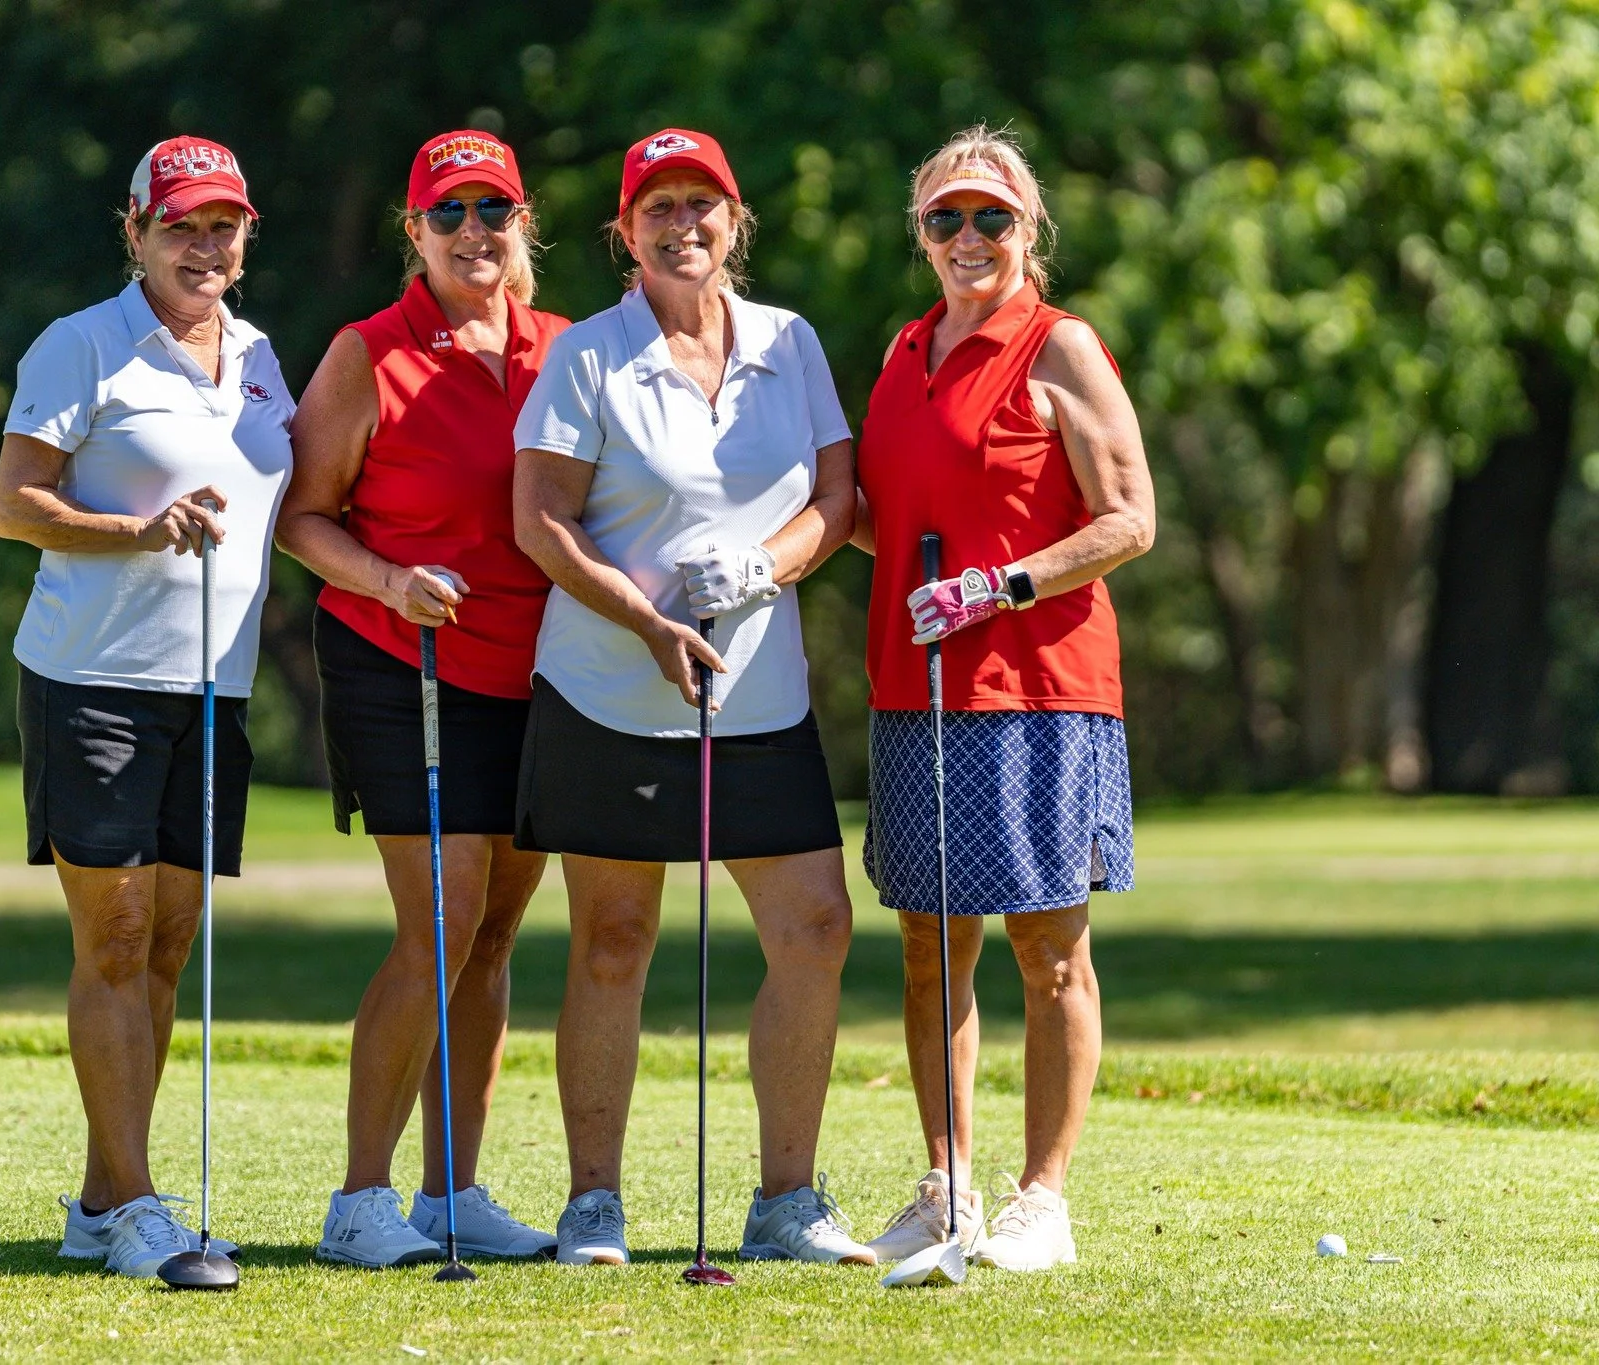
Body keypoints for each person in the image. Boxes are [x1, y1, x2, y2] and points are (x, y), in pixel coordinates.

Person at [512, 128, 869, 1268]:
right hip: (610, 689)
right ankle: (593, 1205)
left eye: (702, 204)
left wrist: (766, 564)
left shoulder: (789, 342)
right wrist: (643, 618)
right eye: (657, 205)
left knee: (814, 927)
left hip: (758, 696)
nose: (683, 224)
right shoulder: (587, 354)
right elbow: (541, 520)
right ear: (624, 230)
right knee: (613, 938)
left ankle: (785, 1203)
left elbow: (835, 496)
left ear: (736, 221)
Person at [852, 125, 1155, 1273]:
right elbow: (880, 515)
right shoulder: (902, 349)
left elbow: (1128, 518)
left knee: (1047, 948)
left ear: (1029, 232)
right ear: (920, 236)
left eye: (992, 218)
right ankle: (948, 1187)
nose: (968, 237)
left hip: (1036, 685)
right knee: (929, 944)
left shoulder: (1058, 345)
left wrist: (1002, 584)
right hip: (913, 682)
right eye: (945, 218)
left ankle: (1042, 1199)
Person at [0, 136, 292, 1278]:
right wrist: (137, 531)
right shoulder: (83, 346)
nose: (203, 245)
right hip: (93, 679)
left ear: (245, 234)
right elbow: (18, 506)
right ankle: (136, 1207)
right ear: (135, 232)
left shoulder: (264, 358)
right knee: (113, 937)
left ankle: (99, 1199)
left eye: (222, 225)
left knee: (166, 946)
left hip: (213, 686)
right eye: (180, 226)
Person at [277, 130, 569, 1268]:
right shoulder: (368, 353)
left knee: (492, 934)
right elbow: (303, 517)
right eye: (446, 215)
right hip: (404, 664)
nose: (470, 233)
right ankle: (362, 1198)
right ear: (415, 232)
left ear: (520, 222)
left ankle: (453, 1191)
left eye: (490, 209)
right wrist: (391, 582)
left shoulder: (559, 352)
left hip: (528, 672)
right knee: (438, 926)